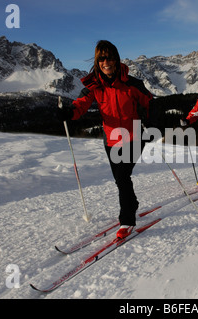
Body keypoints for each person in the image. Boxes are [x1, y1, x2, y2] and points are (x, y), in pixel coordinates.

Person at [58, 40, 153, 239]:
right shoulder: (95, 85)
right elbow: (81, 104)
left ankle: (127, 220)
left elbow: (150, 102)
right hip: (111, 139)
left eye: (109, 57)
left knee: (122, 177)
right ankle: (132, 204)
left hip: (134, 135)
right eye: (101, 58)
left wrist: (154, 119)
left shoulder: (132, 83)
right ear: (97, 61)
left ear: (116, 60)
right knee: (120, 180)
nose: (106, 62)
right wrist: (70, 112)